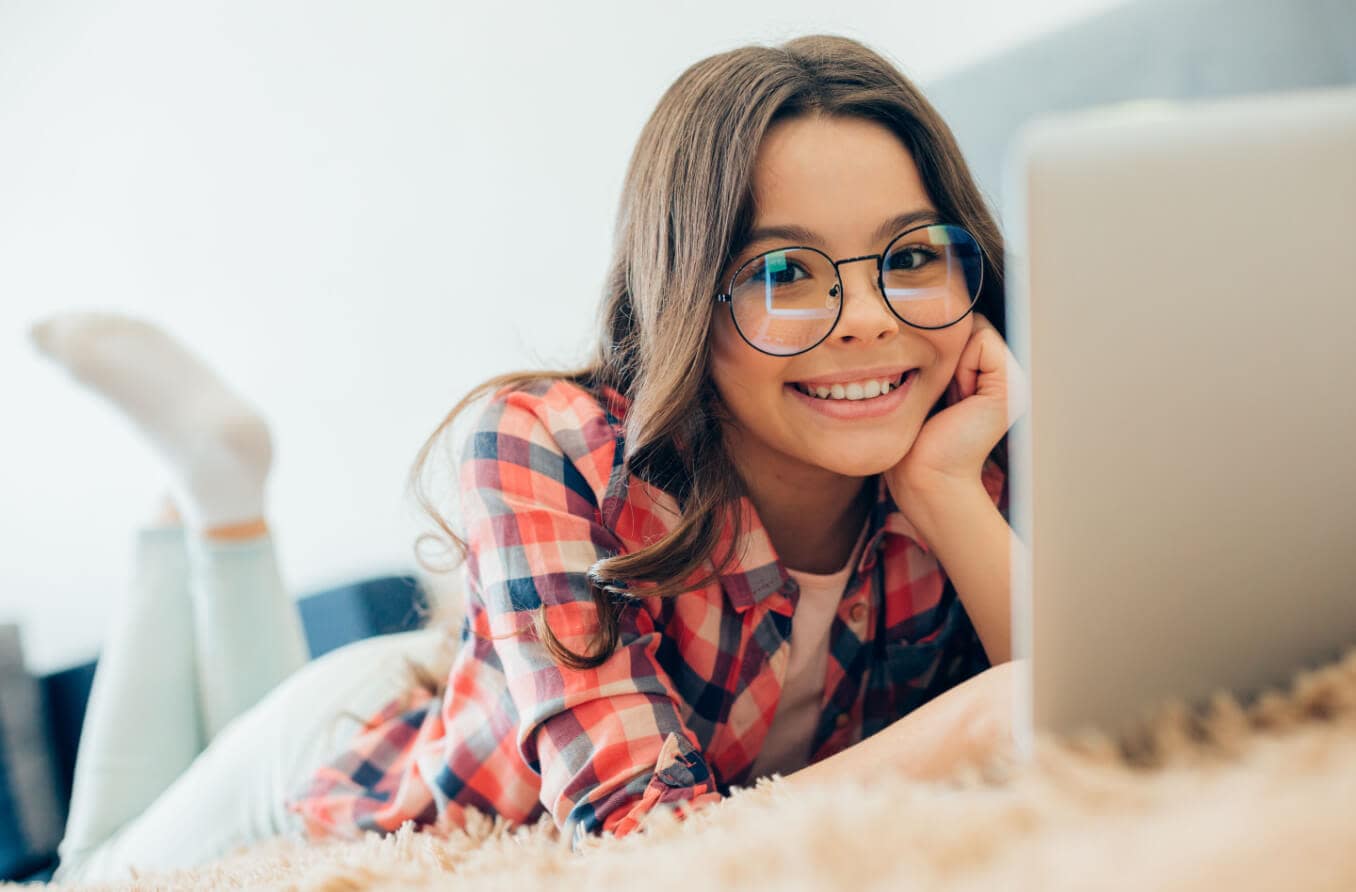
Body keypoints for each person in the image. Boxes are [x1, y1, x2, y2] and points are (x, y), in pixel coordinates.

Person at [38, 32, 1029, 884]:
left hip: (494, 670)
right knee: (90, 870)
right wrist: (966, 727)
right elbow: (639, 846)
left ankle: (215, 494)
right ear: (683, 297)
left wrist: (946, 492)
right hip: (354, 747)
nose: (867, 322)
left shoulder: (958, 446)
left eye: (910, 258)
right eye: (783, 272)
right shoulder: (551, 439)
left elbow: (1100, 722)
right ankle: (217, 499)